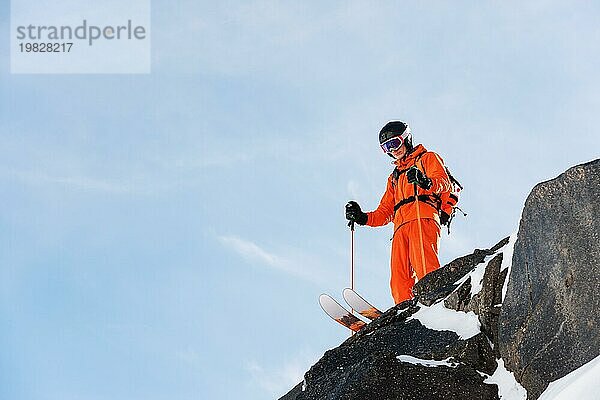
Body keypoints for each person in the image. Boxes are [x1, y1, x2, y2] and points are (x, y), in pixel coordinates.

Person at [345, 121, 453, 304]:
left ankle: (435, 303)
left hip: (423, 217)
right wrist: (363, 218)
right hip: (400, 227)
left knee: (425, 265)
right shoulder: (394, 177)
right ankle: (404, 310)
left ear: (406, 138)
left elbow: (443, 182)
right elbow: (385, 211)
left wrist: (426, 182)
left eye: (394, 143)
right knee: (398, 278)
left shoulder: (427, 159)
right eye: (386, 147)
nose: (392, 150)